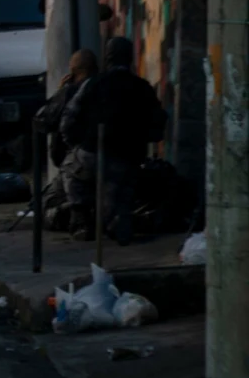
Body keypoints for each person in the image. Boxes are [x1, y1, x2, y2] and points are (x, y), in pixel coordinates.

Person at [61, 37, 166, 245]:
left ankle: (82, 219)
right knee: (122, 196)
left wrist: (75, 144)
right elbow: (158, 124)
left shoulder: (93, 84)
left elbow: (69, 118)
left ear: (107, 58)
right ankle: (118, 221)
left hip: (92, 154)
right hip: (128, 158)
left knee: (71, 172)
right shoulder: (142, 87)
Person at [36, 49, 98, 236]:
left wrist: (61, 93)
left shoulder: (73, 91)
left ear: (73, 71)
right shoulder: (112, 86)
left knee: (47, 206)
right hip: (121, 157)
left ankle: (78, 219)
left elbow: (44, 120)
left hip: (79, 162)